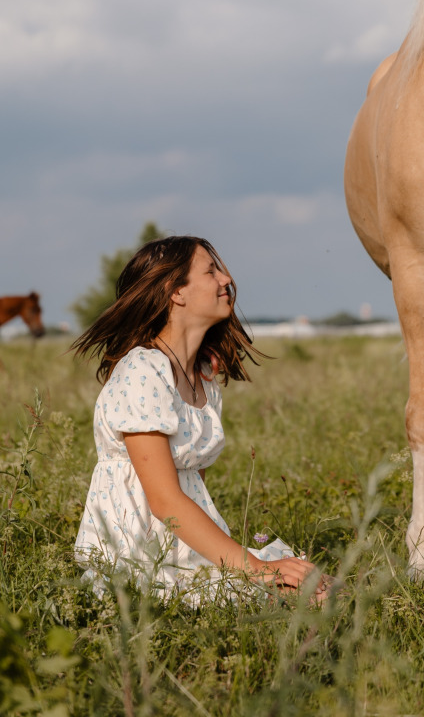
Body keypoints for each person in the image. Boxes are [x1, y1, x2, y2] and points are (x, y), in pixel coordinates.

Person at [73, 235, 330, 605]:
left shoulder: (202, 379)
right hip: (140, 553)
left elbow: (195, 488)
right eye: (211, 271)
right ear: (175, 292)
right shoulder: (143, 371)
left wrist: (242, 562)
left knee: (325, 587)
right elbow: (164, 501)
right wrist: (257, 568)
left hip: (188, 546)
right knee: (307, 598)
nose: (226, 279)